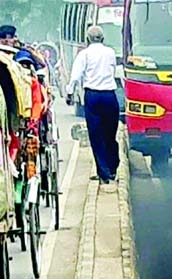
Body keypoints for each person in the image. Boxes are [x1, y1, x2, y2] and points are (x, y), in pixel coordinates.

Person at [66, 25, 120, 184]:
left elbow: (75, 76)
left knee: (96, 136)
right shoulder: (110, 53)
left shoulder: (84, 54)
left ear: (87, 39)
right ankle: (112, 168)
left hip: (93, 96)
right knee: (110, 134)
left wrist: (70, 93)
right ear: (103, 38)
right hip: (110, 96)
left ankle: (103, 173)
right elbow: (114, 71)